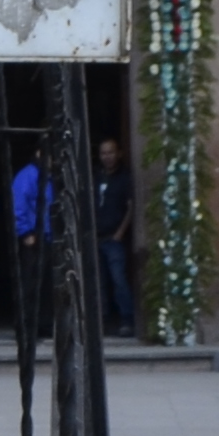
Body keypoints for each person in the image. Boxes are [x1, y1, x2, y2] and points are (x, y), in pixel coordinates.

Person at [89, 135, 135, 336]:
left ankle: (127, 319)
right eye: (103, 153)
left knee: (118, 279)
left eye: (110, 152)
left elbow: (131, 207)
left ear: (119, 153)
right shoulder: (95, 176)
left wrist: (120, 232)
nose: (107, 157)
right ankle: (101, 321)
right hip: (95, 236)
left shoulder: (125, 177)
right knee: (98, 282)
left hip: (114, 238)